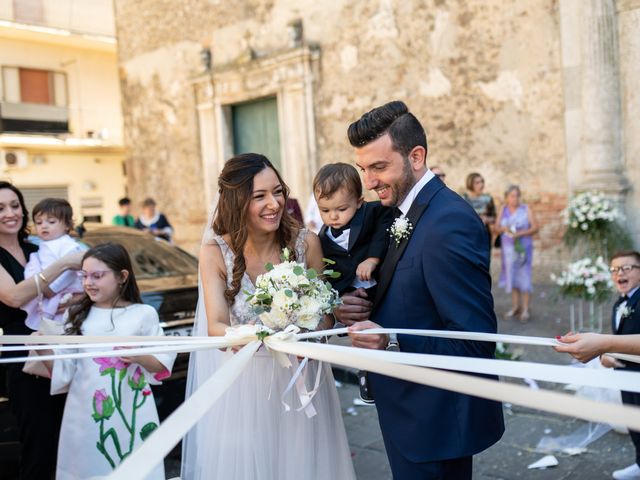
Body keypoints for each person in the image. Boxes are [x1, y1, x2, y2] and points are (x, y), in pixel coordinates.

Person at [343, 101, 504, 479]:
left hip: (437, 422)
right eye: (363, 169)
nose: (369, 182)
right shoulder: (404, 212)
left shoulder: (448, 223)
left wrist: (390, 340)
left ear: (416, 156)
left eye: (379, 167)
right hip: (409, 413)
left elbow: (474, 341)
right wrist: (361, 305)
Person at [181, 153, 356, 480]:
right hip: (245, 387)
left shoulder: (307, 243)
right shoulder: (215, 252)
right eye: (259, 196)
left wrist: (308, 322)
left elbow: (327, 319)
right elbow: (217, 325)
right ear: (236, 201)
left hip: (302, 382)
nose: (274, 203)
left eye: (277, 192)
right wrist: (259, 332)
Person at [39, 243, 176, 479]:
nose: (88, 283)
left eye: (97, 276)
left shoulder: (142, 314)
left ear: (122, 276)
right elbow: (64, 374)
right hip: (85, 414)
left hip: (131, 407)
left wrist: (140, 357)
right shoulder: (75, 315)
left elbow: (162, 367)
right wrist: (42, 351)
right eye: (84, 276)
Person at [0, 181, 82, 480]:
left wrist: (78, 295)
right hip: (23, 353)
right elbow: (13, 297)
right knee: (38, 446)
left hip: (60, 344)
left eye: (14, 205)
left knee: (68, 440)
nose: (10, 213)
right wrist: (62, 265)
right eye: (0, 208)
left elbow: (78, 283)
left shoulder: (37, 247)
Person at [556, 250, 640, 480]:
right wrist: (607, 355)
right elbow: (619, 343)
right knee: (633, 421)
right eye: (614, 269)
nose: (619, 273)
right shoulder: (617, 306)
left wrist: (606, 345)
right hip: (625, 374)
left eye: (626, 268)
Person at [314, 162, 393, 297]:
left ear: (358, 202)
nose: (333, 216)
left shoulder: (371, 213)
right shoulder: (322, 237)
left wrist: (372, 259)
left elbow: (382, 231)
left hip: (380, 286)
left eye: (342, 209)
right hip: (348, 292)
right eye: (325, 210)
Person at [21, 198, 87, 330]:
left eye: (51, 222)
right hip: (51, 289)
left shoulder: (67, 244)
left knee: (65, 323)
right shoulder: (44, 244)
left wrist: (53, 289)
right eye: (38, 223)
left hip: (65, 290)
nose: (44, 226)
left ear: (67, 225)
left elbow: (70, 270)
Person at [494, 185, 539, 323]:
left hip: (523, 249)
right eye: (512, 195)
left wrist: (520, 233)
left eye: (517, 195)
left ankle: (525, 309)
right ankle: (515, 307)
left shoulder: (526, 209)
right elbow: (496, 227)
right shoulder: (503, 209)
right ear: (507, 197)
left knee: (524, 276)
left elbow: (535, 227)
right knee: (511, 276)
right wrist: (504, 228)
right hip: (508, 250)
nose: (515, 198)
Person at [462, 172, 496, 252]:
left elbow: (494, 218)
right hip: (468, 235)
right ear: (470, 184)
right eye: (477, 183)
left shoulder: (488, 199)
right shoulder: (463, 199)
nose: (481, 185)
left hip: (483, 235)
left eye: (482, 182)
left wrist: (487, 219)